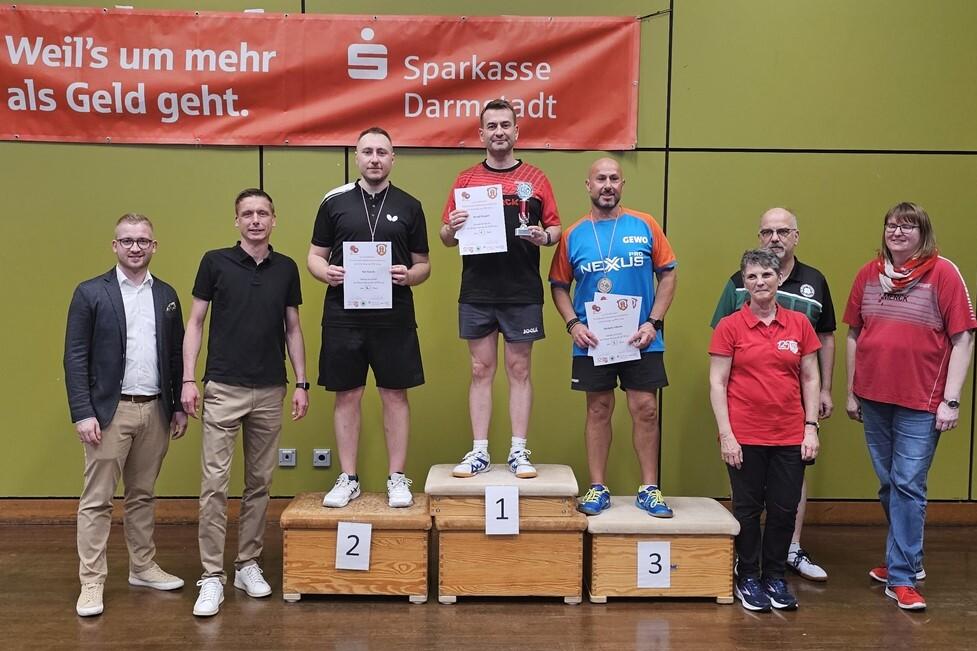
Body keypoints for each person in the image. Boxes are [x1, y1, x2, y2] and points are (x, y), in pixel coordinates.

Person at [182, 188, 310, 617]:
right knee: (214, 487)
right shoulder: (214, 262)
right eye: (247, 214)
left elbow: (293, 328)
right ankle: (211, 576)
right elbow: (195, 322)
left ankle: (247, 564)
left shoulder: (287, 268)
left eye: (262, 213)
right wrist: (188, 378)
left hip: (271, 389)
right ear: (236, 221)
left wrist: (302, 382)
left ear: (275, 219)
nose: (255, 220)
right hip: (222, 388)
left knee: (259, 484)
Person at [844, 202, 975, 611]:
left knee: (907, 484)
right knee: (890, 484)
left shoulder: (944, 274)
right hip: (874, 398)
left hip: (922, 402)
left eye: (907, 226)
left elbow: (963, 339)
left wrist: (950, 400)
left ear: (923, 233)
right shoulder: (869, 274)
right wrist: (852, 390)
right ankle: (908, 558)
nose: (897, 232)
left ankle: (900, 576)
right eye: (891, 225)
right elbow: (853, 333)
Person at [64, 214, 187, 617]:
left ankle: (142, 567)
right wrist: (83, 413)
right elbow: (75, 357)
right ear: (114, 246)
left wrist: (175, 408)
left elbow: (174, 355)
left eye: (143, 241)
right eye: (128, 240)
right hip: (107, 413)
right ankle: (92, 581)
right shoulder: (90, 293)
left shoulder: (166, 294)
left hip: (154, 410)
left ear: (154, 246)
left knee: (142, 496)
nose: (135, 247)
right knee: (97, 500)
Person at [308, 127, 431, 509]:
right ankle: (349, 477)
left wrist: (409, 276)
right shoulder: (334, 202)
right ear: (357, 158)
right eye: (367, 152)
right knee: (347, 394)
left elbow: (424, 265)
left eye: (382, 152)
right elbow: (314, 256)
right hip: (344, 314)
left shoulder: (410, 205)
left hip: (393, 314)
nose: (374, 158)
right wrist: (323, 272)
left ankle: (397, 477)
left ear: (393, 159)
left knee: (395, 394)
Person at [710, 207, 835, 582]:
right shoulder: (732, 317)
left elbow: (815, 365)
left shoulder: (804, 309)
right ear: (744, 282)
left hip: (790, 427)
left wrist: (811, 423)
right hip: (745, 428)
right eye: (753, 276)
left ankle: (779, 571)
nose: (760, 281)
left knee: (784, 505)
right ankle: (748, 572)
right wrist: (727, 433)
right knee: (747, 507)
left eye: (767, 275)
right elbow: (718, 377)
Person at [440, 98, 561, 479]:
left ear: (516, 131)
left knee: (519, 368)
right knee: (480, 369)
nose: (499, 132)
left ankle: (519, 451)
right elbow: (445, 236)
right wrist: (452, 226)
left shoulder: (537, 179)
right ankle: (479, 451)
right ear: (481, 134)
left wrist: (545, 236)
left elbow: (556, 229)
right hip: (477, 289)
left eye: (505, 125)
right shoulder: (465, 180)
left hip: (521, 289)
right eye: (491, 126)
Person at [549, 157, 677, 518]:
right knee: (598, 408)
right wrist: (574, 324)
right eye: (600, 179)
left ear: (622, 186)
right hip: (593, 339)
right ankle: (598, 487)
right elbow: (558, 286)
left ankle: (649, 488)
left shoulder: (645, 224)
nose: (608, 184)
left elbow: (668, 275)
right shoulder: (574, 234)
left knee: (645, 409)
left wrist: (654, 321)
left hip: (641, 336)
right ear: (588, 185)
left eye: (614, 179)